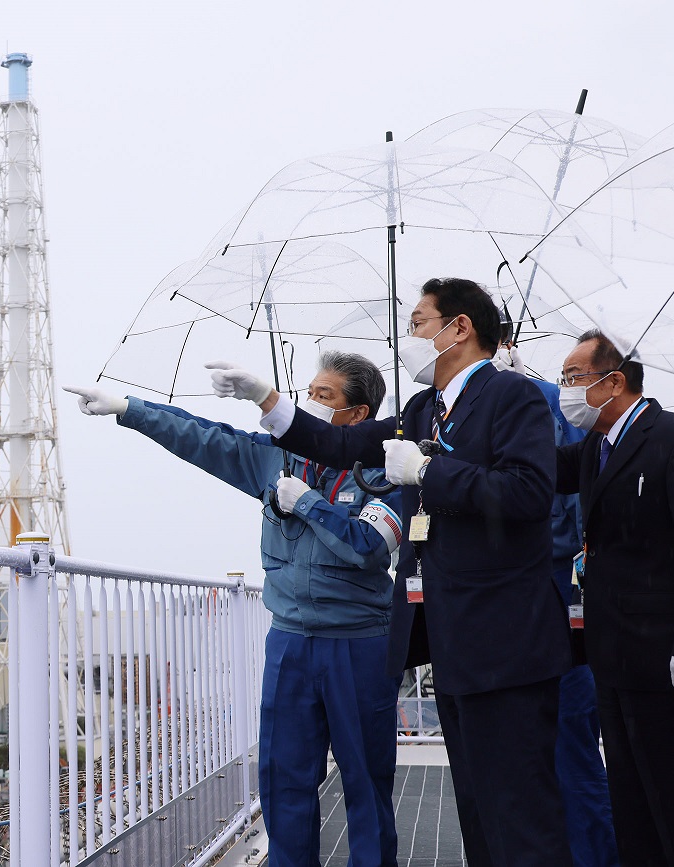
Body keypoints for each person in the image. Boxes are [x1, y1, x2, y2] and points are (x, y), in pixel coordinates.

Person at [210, 277, 574, 867]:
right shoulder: (425, 408)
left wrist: (428, 471)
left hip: (506, 641)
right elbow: (335, 443)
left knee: (519, 810)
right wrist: (266, 399)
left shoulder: (513, 397)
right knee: (478, 809)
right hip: (453, 639)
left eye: (417, 323)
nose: (408, 337)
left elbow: (530, 492)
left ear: (460, 328)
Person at [64, 349, 401, 867]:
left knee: (364, 780)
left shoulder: (388, 471)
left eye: (324, 396)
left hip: (358, 644)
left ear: (357, 415)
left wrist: (309, 502)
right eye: (308, 393)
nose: (309, 403)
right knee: (283, 777)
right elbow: (201, 437)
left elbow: (368, 548)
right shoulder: (274, 459)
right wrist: (128, 408)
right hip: (289, 641)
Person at [554, 330, 674, 865]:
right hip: (613, 656)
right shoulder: (597, 446)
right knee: (631, 801)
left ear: (614, 381)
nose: (565, 391)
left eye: (573, 379)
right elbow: (538, 465)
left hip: (667, 659)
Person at [495, 343, 620, 867]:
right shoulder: (462, 412)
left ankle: (596, 858)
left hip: (556, 599)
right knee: (520, 760)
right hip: (503, 607)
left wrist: (534, 392)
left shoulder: (553, 407)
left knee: (570, 750)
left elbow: (567, 502)